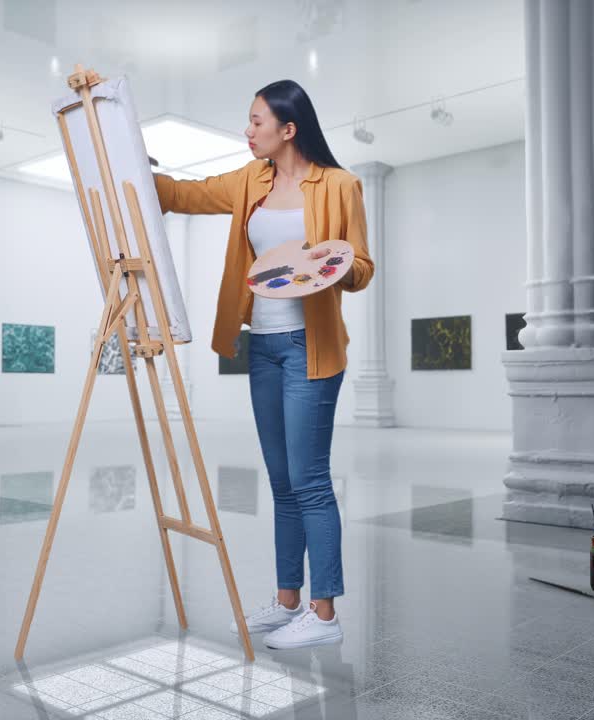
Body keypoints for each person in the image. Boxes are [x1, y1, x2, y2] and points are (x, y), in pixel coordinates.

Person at [153, 79, 373, 650]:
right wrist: (132, 169)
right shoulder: (251, 179)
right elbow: (184, 195)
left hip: (311, 347)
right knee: (281, 484)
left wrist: (335, 267)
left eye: (255, 122)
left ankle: (324, 616)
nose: (247, 131)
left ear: (288, 128)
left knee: (310, 481)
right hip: (266, 348)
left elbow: (363, 265)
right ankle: (286, 602)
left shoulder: (340, 185)